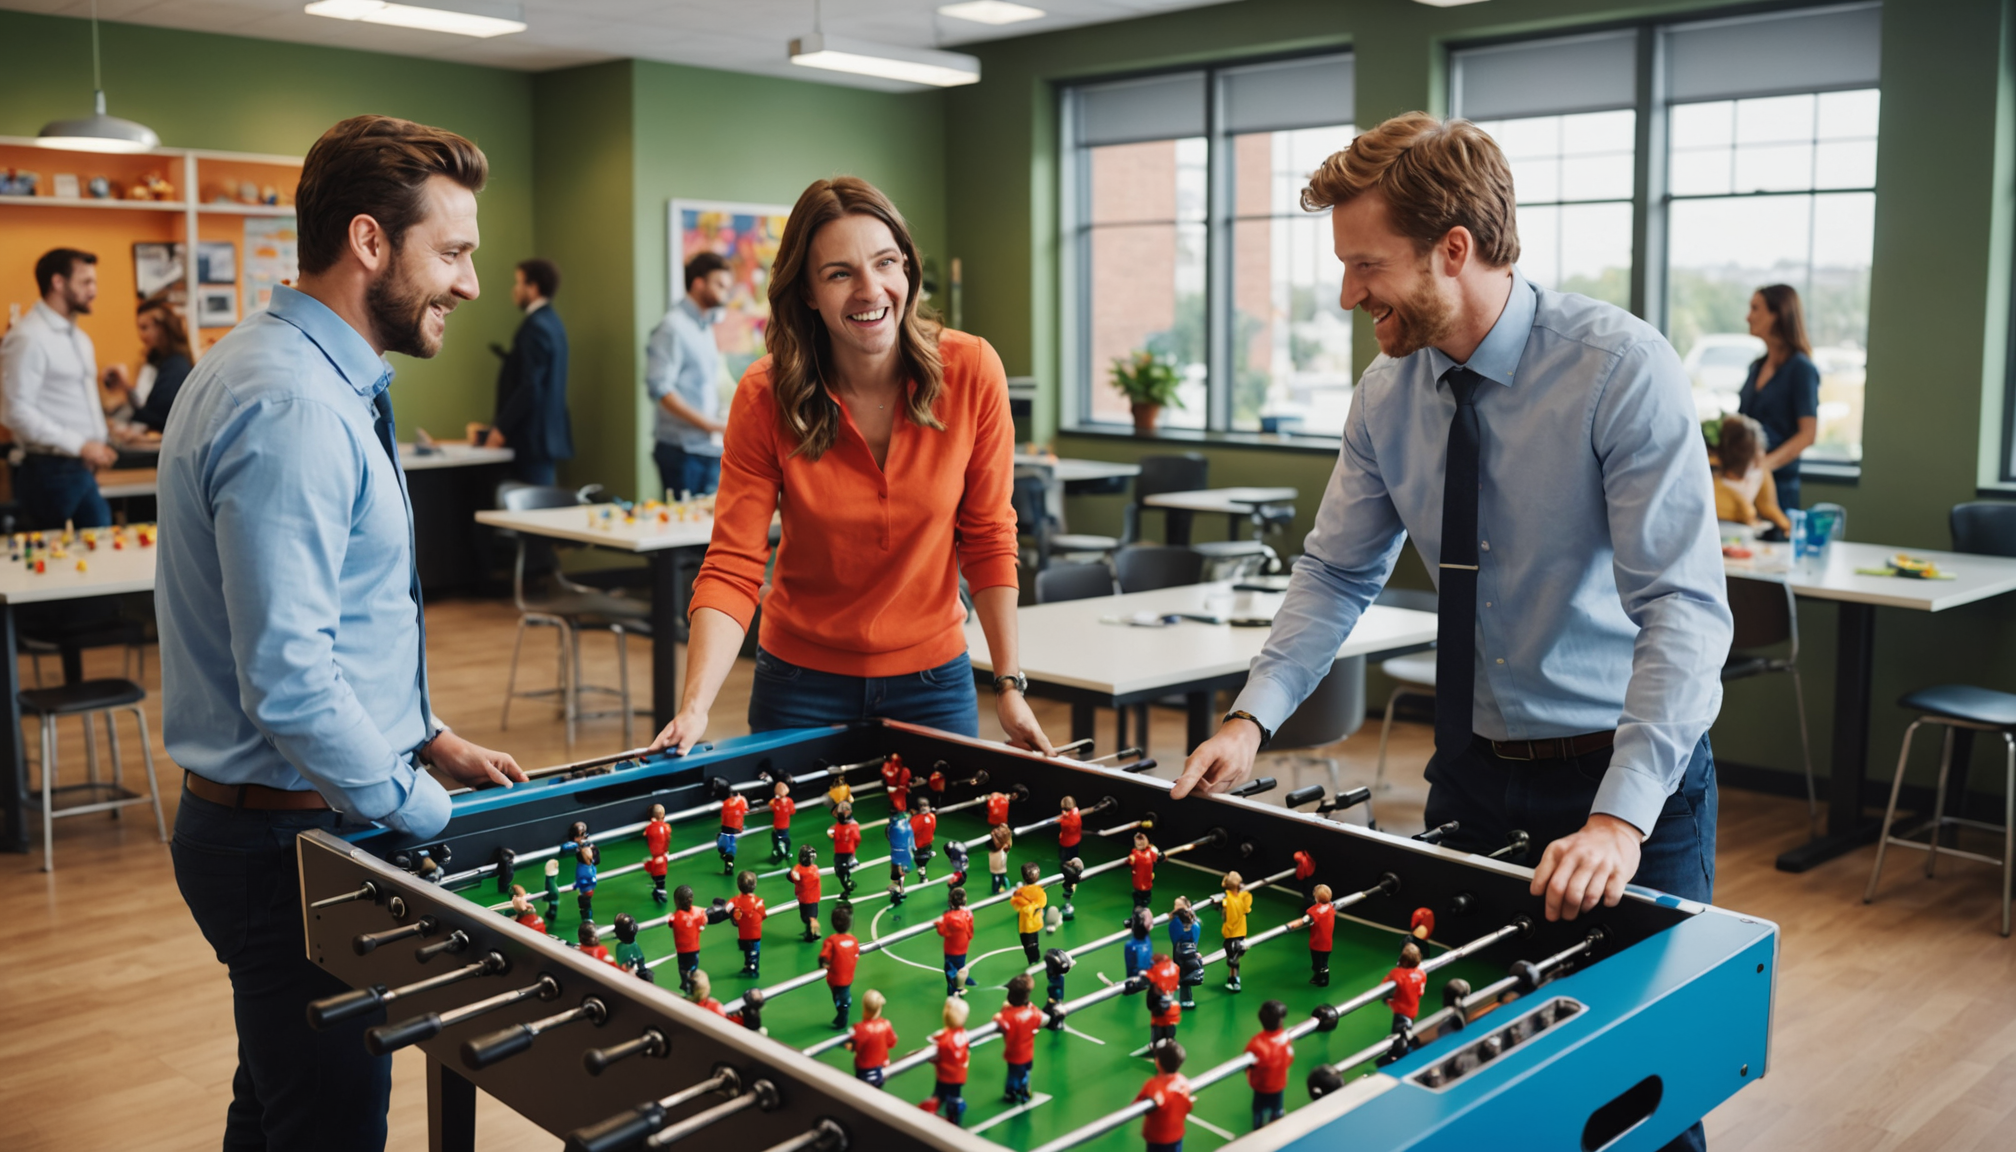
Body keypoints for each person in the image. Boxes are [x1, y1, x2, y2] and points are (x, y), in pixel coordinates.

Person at [1171, 113, 1728, 1152]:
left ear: (1453, 250)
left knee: (1638, 1102)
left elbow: (1684, 612)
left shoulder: (1619, 369)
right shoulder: (1386, 397)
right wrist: (1250, 722)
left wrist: (1618, 820)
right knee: (1466, 1071)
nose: (1347, 296)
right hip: (1471, 773)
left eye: (1365, 266)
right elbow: (1336, 572)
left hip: (1623, 783)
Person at [155, 115, 529, 1152]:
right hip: (288, 841)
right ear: (371, 242)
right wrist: (420, 805)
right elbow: (288, 679)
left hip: (274, 824)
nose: (468, 283)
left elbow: (325, 626)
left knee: (276, 1105)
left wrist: (420, 729)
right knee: (327, 1129)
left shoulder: (280, 371)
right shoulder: (297, 408)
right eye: (451, 253)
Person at [647, 176, 1051, 754]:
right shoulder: (765, 395)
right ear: (808, 292)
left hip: (934, 681)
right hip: (798, 683)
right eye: (840, 273)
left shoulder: (973, 369)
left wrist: (1009, 683)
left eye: (885, 262)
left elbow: (988, 535)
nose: (870, 290)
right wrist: (695, 707)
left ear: (907, 270)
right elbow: (734, 561)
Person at [1, 248, 117, 528]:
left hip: (81, 468)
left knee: (99, 548)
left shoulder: (78, 338)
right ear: (58, 283)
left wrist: (100, 439)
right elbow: (15, 411)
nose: (94, 290)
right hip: (49, 471)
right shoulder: (28, 337)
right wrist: (81, 445)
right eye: (86, 282)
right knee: (53, 562)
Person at [473, 257, 572, 485]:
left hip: (531, 439)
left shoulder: (534, 327)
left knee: (530, 509)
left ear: (533, 287)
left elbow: (530, 386)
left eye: (518, 283)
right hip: (547, 437)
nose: (514, 290)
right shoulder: (554, 323)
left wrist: (500, 428)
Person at [646, 251, 731, 498]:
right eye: (720, 284)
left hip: (708, 448)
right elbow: (660, 388)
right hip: (681, 450)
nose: (726, 292)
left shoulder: (704, 327)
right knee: (683, 530)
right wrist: (709, 424)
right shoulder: (673, 327)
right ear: (698, 283)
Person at [1737, 284, 1820, 512]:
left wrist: (1764, 466)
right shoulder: (1757, 366)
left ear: (1777, 315)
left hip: (1779, 492)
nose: (1748, 317)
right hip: (1745, 487)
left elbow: (1807, 434)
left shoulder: (1801, 369)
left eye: (1756, 309)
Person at [101, 296, 194, 436]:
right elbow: (145, 405)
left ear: (162, 327)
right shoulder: (155, 362)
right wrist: (125, 387)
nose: (141, 335)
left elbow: (158, 416)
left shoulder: (176, 367)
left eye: (145, 328)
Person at [1712, 414, 1790, 533]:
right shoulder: (1714, 475)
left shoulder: (1761, 472)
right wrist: (1747, 511)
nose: (1759, 456)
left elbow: (1768, 506)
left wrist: (1787, 526)